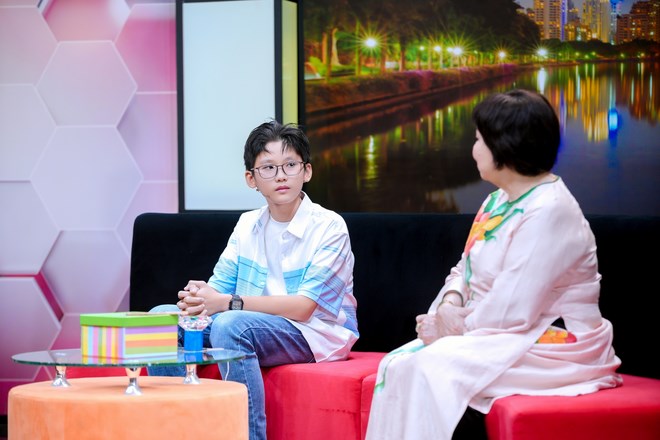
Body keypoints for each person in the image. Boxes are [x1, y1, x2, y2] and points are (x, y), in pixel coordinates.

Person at [365, 89, 622, 440]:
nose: (473, 150)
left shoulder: (550, 210)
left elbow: (514, 308)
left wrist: (449, 328)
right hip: (494, 331)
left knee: (429, 366)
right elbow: (463, 269)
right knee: (397, 364)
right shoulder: (497, 200)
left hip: (555, 339)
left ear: (505, 146)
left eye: (478, 140)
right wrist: (449, 304)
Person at [148, 120, 358, 440]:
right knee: (159, 319)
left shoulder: (329, 226)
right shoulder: (247, 224)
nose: (281, 175)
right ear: (251, 179)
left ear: (307, 171)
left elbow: (304, 308)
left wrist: (228, 303)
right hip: (250, 323)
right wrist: (200, 296)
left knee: (231, 325)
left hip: (315, 333)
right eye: (269, 168)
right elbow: (220, 287)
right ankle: (181, 430)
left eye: (290, 165)